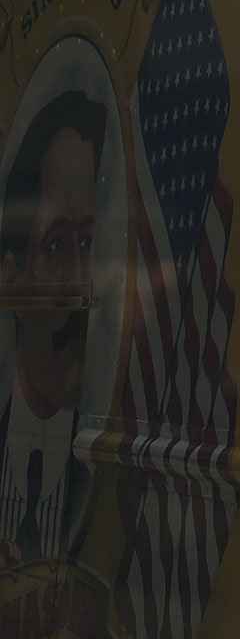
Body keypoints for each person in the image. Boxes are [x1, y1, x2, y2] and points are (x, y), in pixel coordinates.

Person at [0, 91, 106, 561]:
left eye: (89, 241)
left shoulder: (104, 479)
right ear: (11, 281)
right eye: (59, 246)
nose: (82, 286)